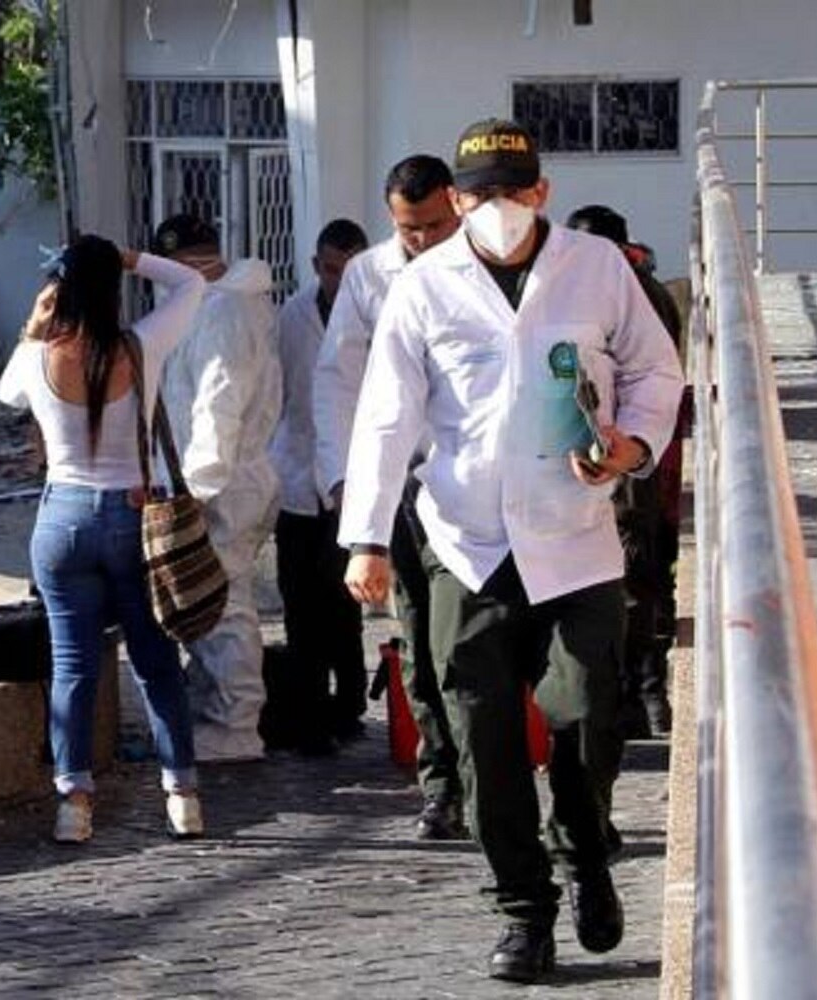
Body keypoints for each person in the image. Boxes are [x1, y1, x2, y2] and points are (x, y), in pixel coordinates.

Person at [339, 119, 684, 983]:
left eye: (511, 189)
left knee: (584, 720)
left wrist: (631, 445)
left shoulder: (595, 268)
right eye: (479, 193)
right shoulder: (423, 288)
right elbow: (386, 415)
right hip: (468, 544)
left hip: (576, 539)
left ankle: (584, 853)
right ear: (456, 201)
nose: (496, 206)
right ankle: (522, 912)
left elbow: (656, 372)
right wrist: (367, 538)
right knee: (483, 739)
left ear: (541, 191)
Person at [0, 234, 208, 844]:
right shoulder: (140, 348)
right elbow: (192, 284)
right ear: (114, 289)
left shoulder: (37, 357)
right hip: (132, 517)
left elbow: (8, 396)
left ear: (58, 291)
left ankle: (74, 803)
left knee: (73, 665)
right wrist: (128, 256)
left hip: (61, 520)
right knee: (155, 663)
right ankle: (182, 795)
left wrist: (32, 326)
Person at [314, 155, 467, 838]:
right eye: (408, 230)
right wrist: (349, 486)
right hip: (403, 486)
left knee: (480, 643)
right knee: (422, 641)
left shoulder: (487, 267)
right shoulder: (369, 275)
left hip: (476, 484)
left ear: (457, 207)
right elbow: (338, 379)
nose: (421, 241)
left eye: (433, 226)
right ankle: (442, 781)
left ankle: (492, 768)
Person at [151, 214, 282, 763]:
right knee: (206, 602)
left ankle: (235, 723)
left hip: (223, 481)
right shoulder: (212, 307)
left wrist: (197, 489)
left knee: (225, 604)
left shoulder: (224, 312)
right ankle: (211, 711)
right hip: (215, 477)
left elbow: (218, 403)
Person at [566, 204, 685, 739]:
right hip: (626, 465)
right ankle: (640, 693)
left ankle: (640, 693)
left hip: (630, 465)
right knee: (642, 581)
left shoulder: (633, 295)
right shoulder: (634, 289)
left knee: (636, 581)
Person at [264, 218, 370, 756]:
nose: (338, 280)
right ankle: (309, 713)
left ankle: (349, 705)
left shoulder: (382, 309)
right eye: (330, 270)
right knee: (301, 603)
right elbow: (277, 389)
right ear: (316, 267)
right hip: (298, 475)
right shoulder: (293, 314)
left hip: (355, 480)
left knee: (345, 602)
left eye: (349, 270)